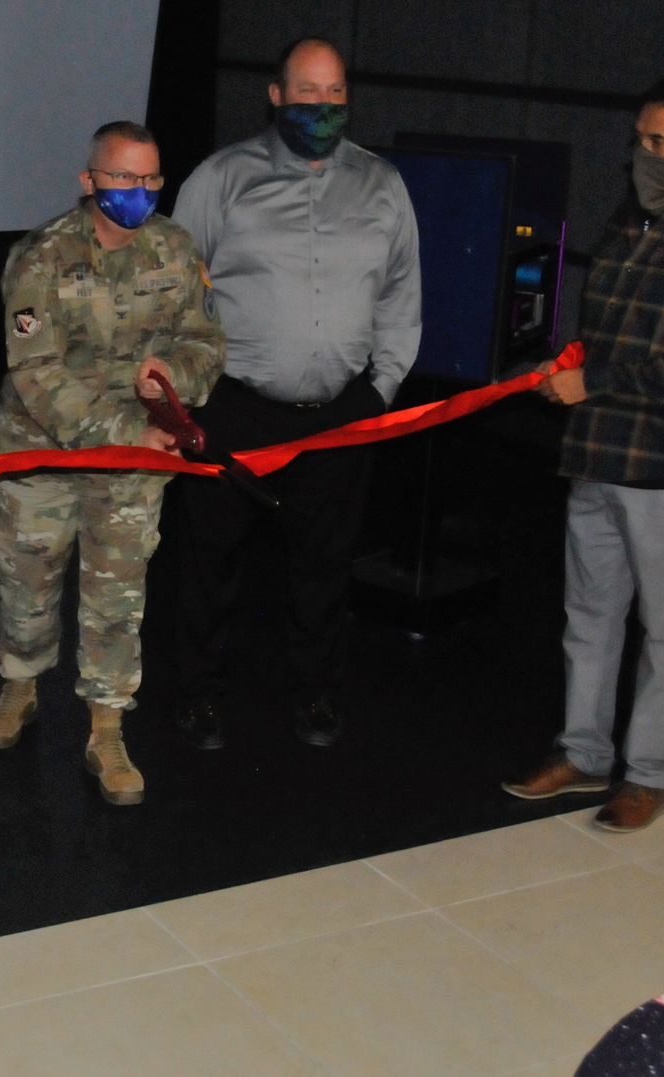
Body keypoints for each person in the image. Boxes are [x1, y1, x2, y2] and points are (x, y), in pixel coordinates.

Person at [504, 75, 664, 832]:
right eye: (638, 139)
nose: (640, 155)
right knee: (587, 616)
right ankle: (582, 753)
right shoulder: (632, 218)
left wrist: (596, 382)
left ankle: (647, 772)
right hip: (595, 453)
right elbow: (607, 331)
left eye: (659, 142)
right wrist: (567, 368)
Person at [169, 37, 420, 751]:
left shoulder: (382, 185)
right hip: (234, 405)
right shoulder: (219, 179)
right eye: (307, 91)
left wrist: (380, 390)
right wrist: (187, 398)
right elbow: (174, 293)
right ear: (275, 96)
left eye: (335, 92)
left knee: (323, 565)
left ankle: (315, 694)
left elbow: (403, 297)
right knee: (208, 561)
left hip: (342, 413)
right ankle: (197, 696)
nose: (322, 105)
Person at [0, 121, 225, 805]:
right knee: (26, 584)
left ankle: (107, 726)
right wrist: (123, 427)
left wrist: (170, 374)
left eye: (150, 179)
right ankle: (20, 684)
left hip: (134, 455)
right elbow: (36, 375)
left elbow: (205, 341)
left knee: (117, 595)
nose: (138, 192)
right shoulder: (40, 257)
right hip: (38, 447)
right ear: (89, 182)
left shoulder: (174, 249)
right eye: (122, 178)